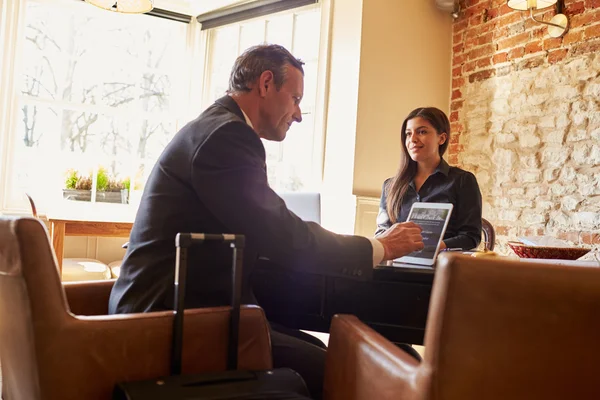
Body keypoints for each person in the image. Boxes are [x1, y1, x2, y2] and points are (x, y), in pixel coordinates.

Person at [108, 44, 424, 399]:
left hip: (187, 310)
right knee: (348, 370)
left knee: (328, 353)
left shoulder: (216, 128)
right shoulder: (226, 136)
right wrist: (379, 247)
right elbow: (282, 234)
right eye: (295, 99)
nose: (299, 114)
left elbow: (265, 228)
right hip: (172, 320)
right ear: (266, 83)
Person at [375, 107, 482, 250]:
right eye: (408, 134)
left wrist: (433, 248)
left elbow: (470, 237)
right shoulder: (390, 186)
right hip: (396, 265)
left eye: (422, 132)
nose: (413, 139)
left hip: (443, 267)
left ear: (442, 138)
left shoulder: (462, 181)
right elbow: (382, 232)